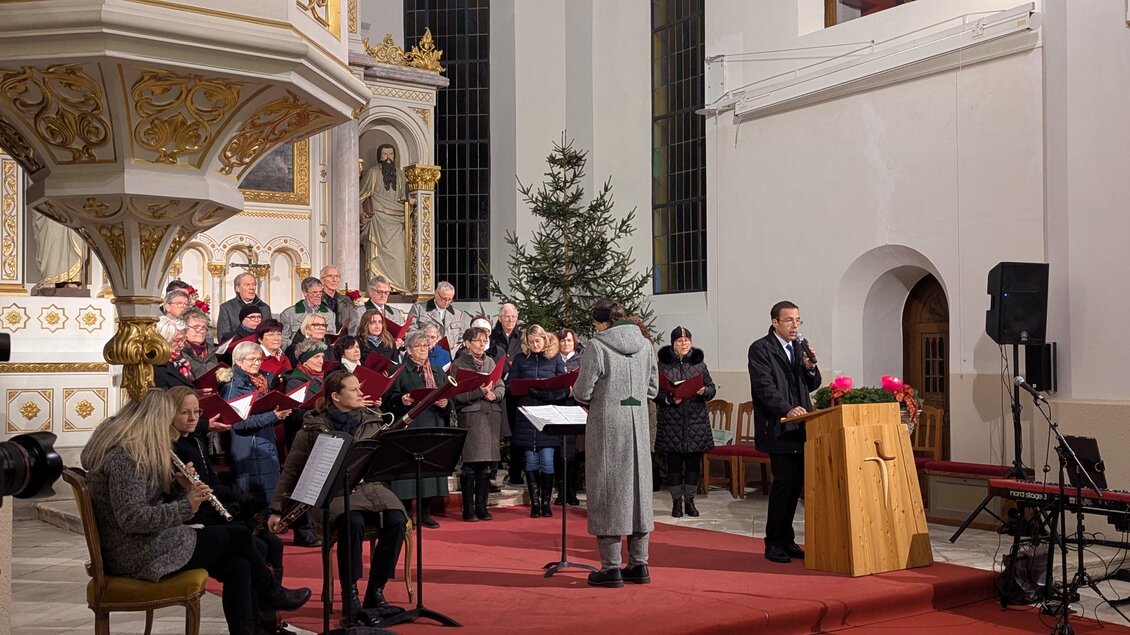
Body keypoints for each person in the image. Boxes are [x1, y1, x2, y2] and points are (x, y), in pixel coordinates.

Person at [80, 389, 310, 635]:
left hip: (146, 544)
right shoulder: (127, 457)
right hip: (136, 552)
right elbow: (132, 519)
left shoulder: (132, 452)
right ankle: (271, 594)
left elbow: (146, 504)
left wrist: (179, 488)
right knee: (240, 536)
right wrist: (186, 504)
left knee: (239, 565)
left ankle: (256, 620)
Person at [268, 371, 407, 624]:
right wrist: (277, 508)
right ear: (336, 396)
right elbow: (291, 469)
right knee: (352, 522)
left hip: (370, 489)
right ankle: (350, 594)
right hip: (333, 493)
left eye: (358, 388)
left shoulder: (373, 419)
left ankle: (376, 591)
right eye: (353, 390)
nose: (359, 393)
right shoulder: (312, 426)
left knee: (397, 519)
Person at [167, 387, 300, 635]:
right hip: (191, 521)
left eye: (197, 412)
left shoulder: (194, 437)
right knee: (254, 543)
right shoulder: (172, 447)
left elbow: (212, 482)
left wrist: (238, 499)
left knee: (256, 552)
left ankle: (263, 624)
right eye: (185, 412)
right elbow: (182, 498)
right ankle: (270, 603)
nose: (193, 418)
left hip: (206, 510)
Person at [573, 299, 659, 589]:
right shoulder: (646, 345)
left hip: (608, 424)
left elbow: (583, 390)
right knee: (638, 489)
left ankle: (611, 568)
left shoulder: (597, 345)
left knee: (607, 489)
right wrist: (630, 398)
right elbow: (653, 388)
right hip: (637, 422)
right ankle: (639, 563)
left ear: (600, 323)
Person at [747, 301, 821, 564]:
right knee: (784, 483)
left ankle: (787, 540)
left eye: (798, 320)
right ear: (775, 322)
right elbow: (764, 388)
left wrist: (810, 366)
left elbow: (811, 384)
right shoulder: (761, 349)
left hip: (801, 427)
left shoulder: (799, 347)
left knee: (795, 486)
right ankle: (774, 542)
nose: (794, 325)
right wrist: (788, 409)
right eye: (789, 320)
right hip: (778, 425)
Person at [386, 331, 451, 529]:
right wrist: (401, 399)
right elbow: (389, 398)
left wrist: (445, 402)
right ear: (409, 349)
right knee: (408, 472)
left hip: (432, 424)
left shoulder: (438, 371)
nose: (423, 350)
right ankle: (406, 512)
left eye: (425, 346)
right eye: (418, 347)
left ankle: (425, 513)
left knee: (428, 471)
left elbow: (449, 397)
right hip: (410, 426)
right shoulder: (400, 370)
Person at [655, 326, 717, 518]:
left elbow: (711, 387)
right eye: (679, 341)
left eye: (687, 340)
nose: (684, 344)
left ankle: (690, 501)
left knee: (692, 463)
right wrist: (669, 399)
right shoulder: (662, 365)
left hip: (695, 420)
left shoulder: (699, 365)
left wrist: (704, 391)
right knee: (674, 463)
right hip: (672, 420)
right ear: (673, 344)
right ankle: (676, 503)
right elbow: (656, 391)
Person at [224, 341, 292, 507]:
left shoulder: (262, 381)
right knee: (253, 500)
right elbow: (238, 422)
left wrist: (277, 413)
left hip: (265, 442)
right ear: (238, 361)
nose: (256, 363)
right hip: (248, 447)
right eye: (251, 359)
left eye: (259, 359)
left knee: (269, 494)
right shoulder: (233, 384)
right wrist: (273, 416)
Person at [509, 324, 566, 518]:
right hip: (526, 414)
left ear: (545, 340)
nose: (535, 345)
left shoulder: (554, 358)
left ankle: (545, 502)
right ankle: (535, 504)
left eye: (538, 341)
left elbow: (564, 387)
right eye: (531, 342)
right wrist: (524, 389)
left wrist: (549, 394)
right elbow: (510, 386)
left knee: (548, 459)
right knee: (531, 459)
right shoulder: (520, 359)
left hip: (548, 413)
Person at [449, 327, 504, 521]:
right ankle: (468, 508)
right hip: (471, 418)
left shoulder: (490, 361)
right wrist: (478, 393)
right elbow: (455, 394)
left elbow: (500, 384)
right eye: (478, 341)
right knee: (471, 466)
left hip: (490, 417)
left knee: (485, 467)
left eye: (484, 341)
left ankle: (482, 507)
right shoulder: (458, 364)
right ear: (467, 343)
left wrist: (494, 394)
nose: (482, 344)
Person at [360, 144, 412, 291]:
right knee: (376, 255)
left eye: (391, 154)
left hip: (397, 222)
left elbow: (403, 198)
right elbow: (360, 195)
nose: (388, 157)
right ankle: (376, 289)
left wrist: (410, 202)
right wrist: (360, 214)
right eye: (384, 154)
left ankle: (397, 288)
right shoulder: (373, 172)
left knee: (398, 257)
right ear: (379, 156)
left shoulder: (401, 175)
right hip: (377, 220)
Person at [554, 327, 584, 505]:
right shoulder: (553, 359)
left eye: (569, 340)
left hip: (575, 407)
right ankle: (561, 491)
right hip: (557, 407)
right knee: (559, 451)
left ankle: (571, 491)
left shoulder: (581, 360)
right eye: (563, 340)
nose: (566, 343)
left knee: (572, 452)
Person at [407, 281, 465, 354]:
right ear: (436, 293)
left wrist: (458, 346)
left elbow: (462, 336)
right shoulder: (419, 309)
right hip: (424, 353)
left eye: (450, 299)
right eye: (444, 298)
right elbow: (410, 330)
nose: (446, 302)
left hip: (449, 355)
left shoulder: (457, 314)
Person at [218, 273, 272, 342]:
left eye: (254, 284)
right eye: (247, 285)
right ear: (237, 288)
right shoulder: (227, 308)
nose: (252, 288)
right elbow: (223, 338)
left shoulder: (265, 308)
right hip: (236, 349)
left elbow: (270, 334)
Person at [278, 277, 333, 345]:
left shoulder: (330, 314)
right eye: (315, 292)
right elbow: (283, 339)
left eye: (320, 292)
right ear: (305, 293)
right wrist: (298, 350)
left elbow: (331, 339)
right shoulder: (288, 314)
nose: (319, 296)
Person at [153, 316, 193, 389]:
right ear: (164, 340)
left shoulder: (179, 361)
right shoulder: (157, 367)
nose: (182, 345)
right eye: (178, 340)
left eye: (184, 339)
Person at [180, 307, 218, 378]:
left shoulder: (210, 351)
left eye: (204, 327)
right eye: (196, 327)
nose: (202, 331)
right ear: (184, 328)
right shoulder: (180, 351)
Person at [319, 265, 353, 332]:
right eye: (330, 276)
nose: (334, 280)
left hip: (342, 340)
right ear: (322, 281)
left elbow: (351, 323)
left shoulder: (346, 300)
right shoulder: (317, 299)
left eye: (337, 276)